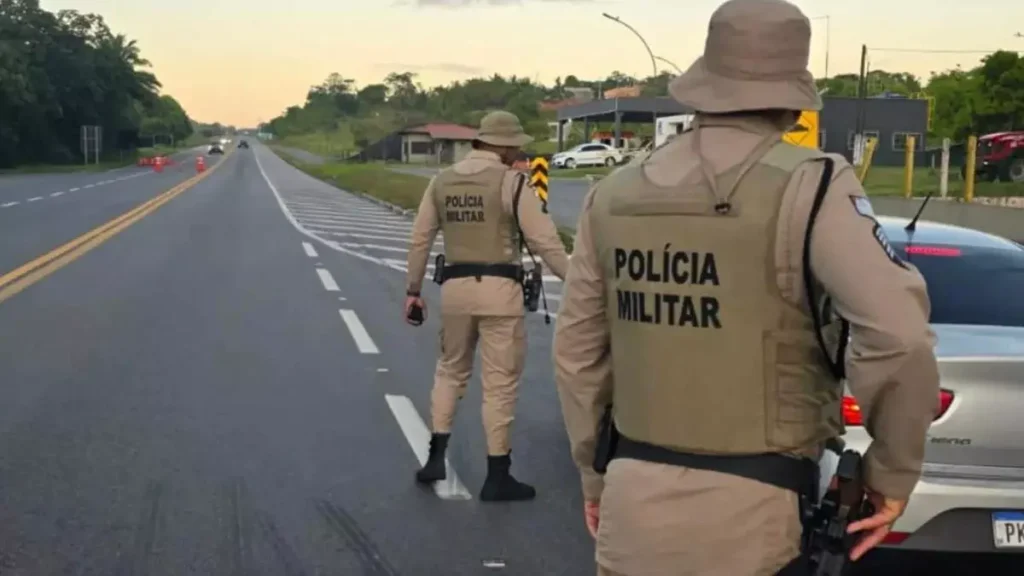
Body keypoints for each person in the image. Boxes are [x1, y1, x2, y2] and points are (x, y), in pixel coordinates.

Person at [552, 0, 941, 574]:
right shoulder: (813, 185)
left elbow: (578, 355)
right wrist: (891, 472)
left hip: (632, 501)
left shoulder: (611, 193)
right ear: (792, 95)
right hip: (757, 512)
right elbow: (901, 337)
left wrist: (594, 472)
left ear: (705, 84)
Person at [405, 110, 570, 502]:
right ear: (503, 145)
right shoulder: (512, 182)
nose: (519, 151)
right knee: (499, 384)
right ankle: (497, 475)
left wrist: (413, 290)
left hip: (455, 291)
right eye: (516, 145)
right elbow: (545, 242)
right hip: (500, 291)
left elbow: (420, 239)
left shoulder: (441, 182)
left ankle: (435, 458)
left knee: (449, 371)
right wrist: (579, 283)